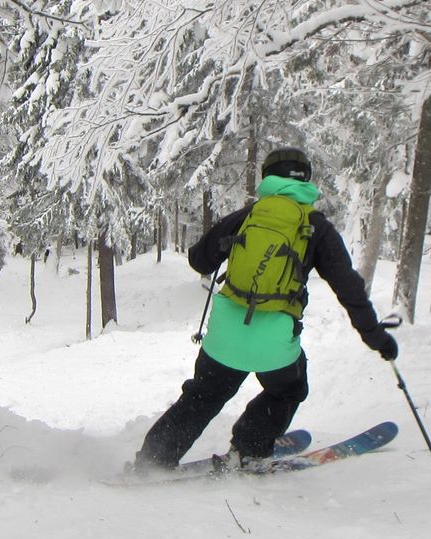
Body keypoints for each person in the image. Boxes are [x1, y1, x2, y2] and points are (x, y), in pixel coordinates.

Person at [131, 146, 398, 472]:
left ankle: (153, 459)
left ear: (267, 177)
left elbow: (198, 259)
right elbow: (349, 288)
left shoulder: (247, 217)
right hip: (274, 343)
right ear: (307, 180)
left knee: (203, 397)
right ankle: (249, 447)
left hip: (224, 336)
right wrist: (376, 338)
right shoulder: (318, 228)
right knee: (289, 389)